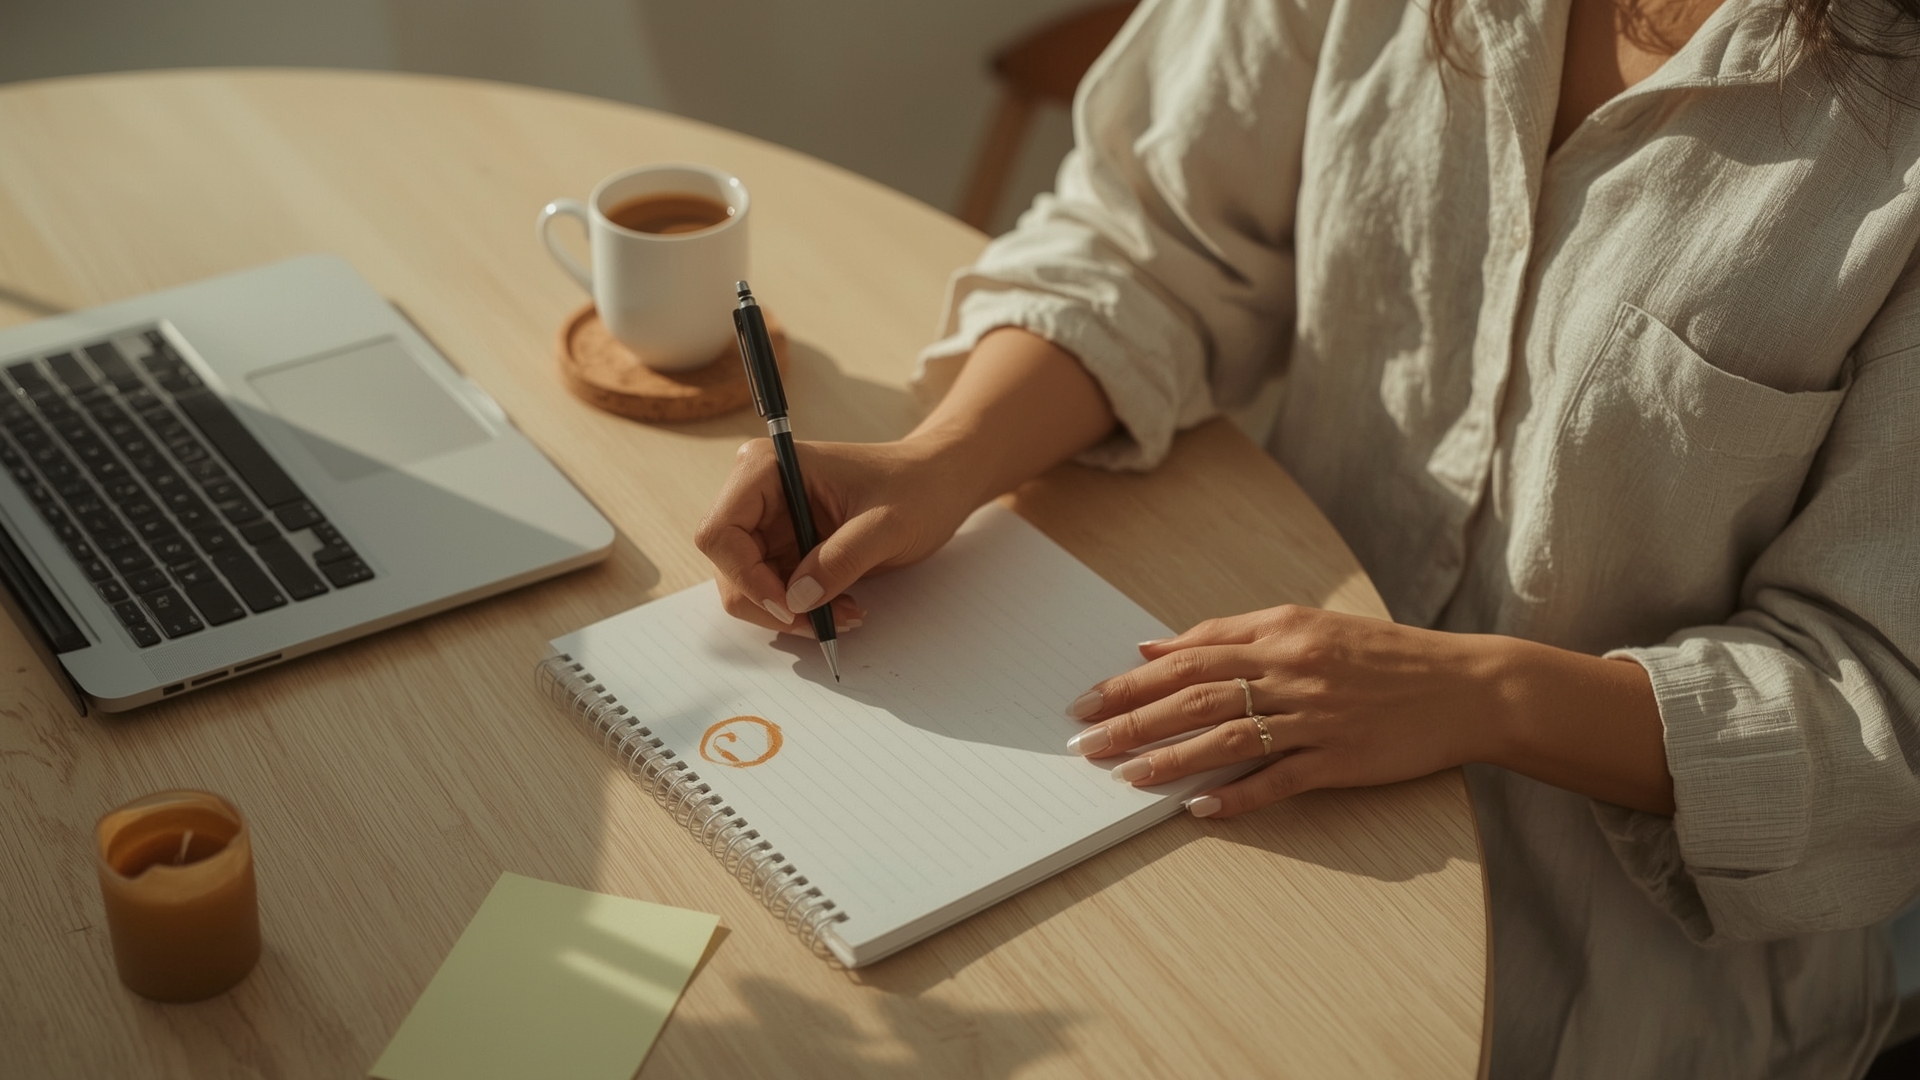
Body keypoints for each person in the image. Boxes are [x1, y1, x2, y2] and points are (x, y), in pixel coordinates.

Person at [695, 0, 1920, 1073]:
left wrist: (1481, 694)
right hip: (1245, 799)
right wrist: (943, 459)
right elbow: (1153, 231)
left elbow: (1884, 719)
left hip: (1615, 985)